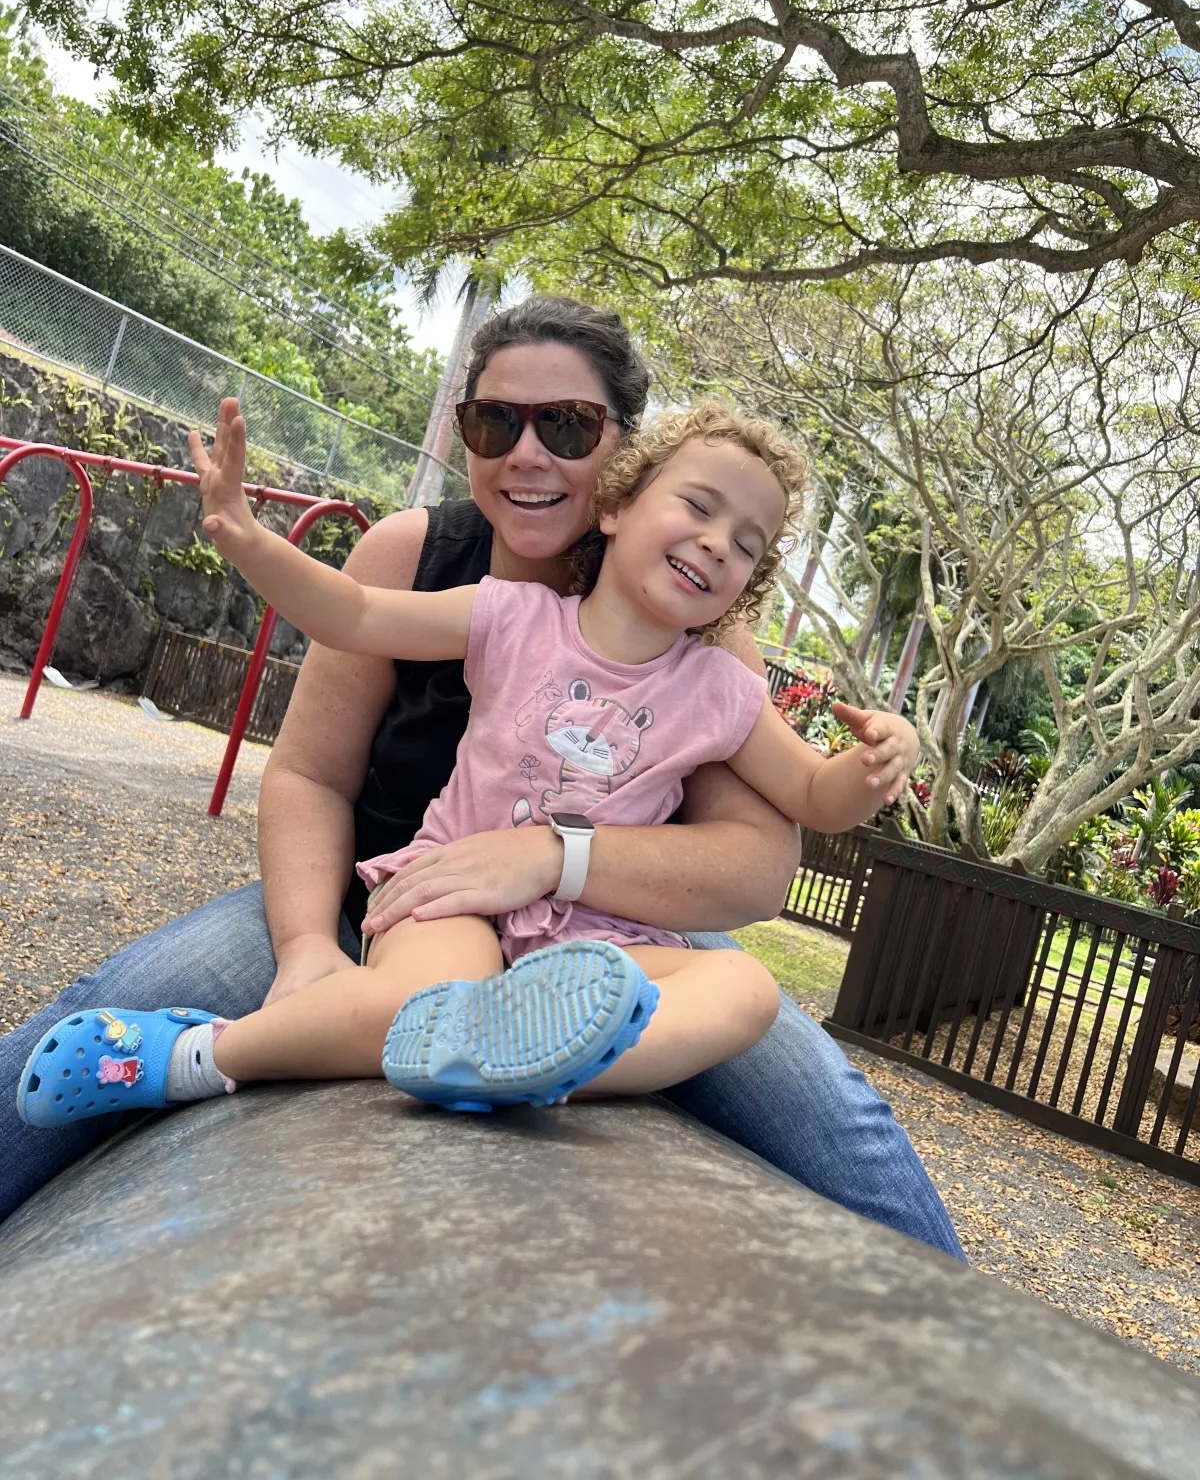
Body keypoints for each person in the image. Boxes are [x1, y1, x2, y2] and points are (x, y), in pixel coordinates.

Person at [0, 297, 964, 1257]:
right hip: (401, 893)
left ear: (620, 451)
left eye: (569, 425)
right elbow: (311, 759)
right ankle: (194, 1055)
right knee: (102, 1011)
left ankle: (961, 1358)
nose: (528, 453)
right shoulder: (462, 584)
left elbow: (758, 868)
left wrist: (552, 856)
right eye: (495, 421)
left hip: (601, 935)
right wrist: (303, 948)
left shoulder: (707, 650)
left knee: (822, 1101)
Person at [18, 398, 918, 1117]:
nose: (720, 542)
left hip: (597, 942)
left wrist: (876, 763)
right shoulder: (511, 617)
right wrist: (245, 536)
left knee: (742, 987)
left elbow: (814, 793)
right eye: (699, 507)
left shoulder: (720, 689)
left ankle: (536, 1067)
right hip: (450, 893)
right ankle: (194, 1054)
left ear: (743, 586)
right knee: (419, 1005)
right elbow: (359, 616)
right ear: (614, 506)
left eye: (749, 544)